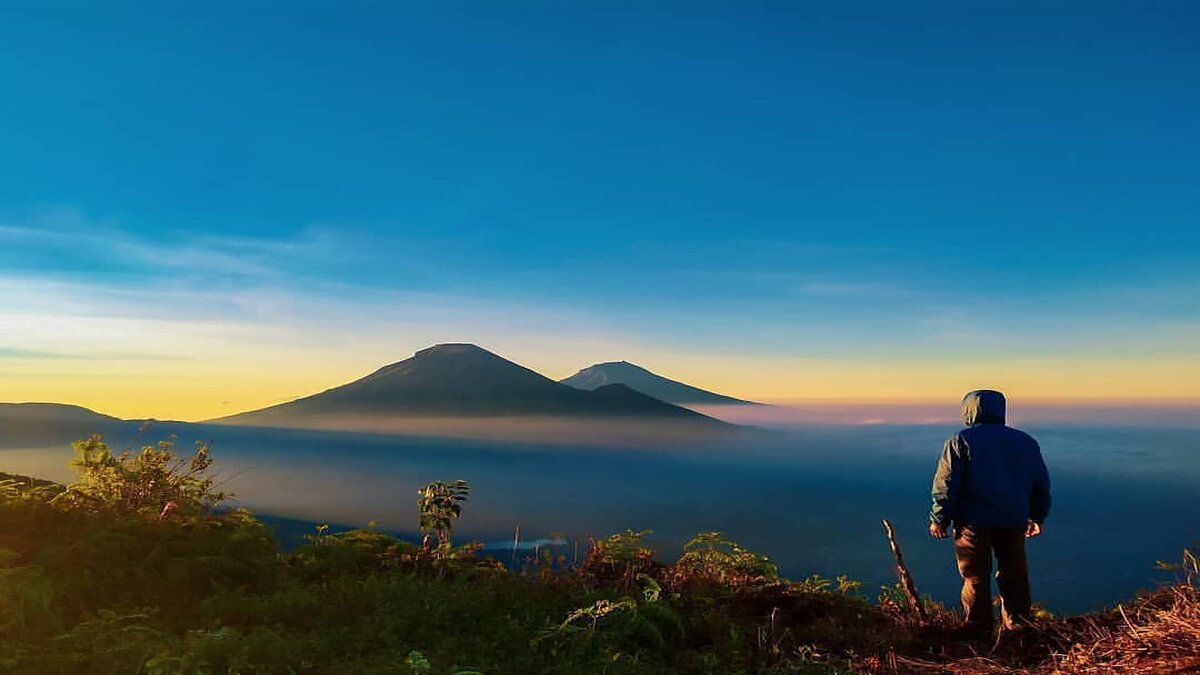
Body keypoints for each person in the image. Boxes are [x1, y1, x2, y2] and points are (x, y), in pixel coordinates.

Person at [929, 389, 1052, 633]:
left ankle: (978, 627)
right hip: (1013, 519)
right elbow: (1040, 482)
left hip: (972, 523)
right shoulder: (1025, 441)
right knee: (1014, 573)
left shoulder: (960, 440)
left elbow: (947, 483)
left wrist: (939, 519)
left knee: (975, 576)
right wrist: (1037, 516)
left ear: (969, 410)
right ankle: (1018, 625)